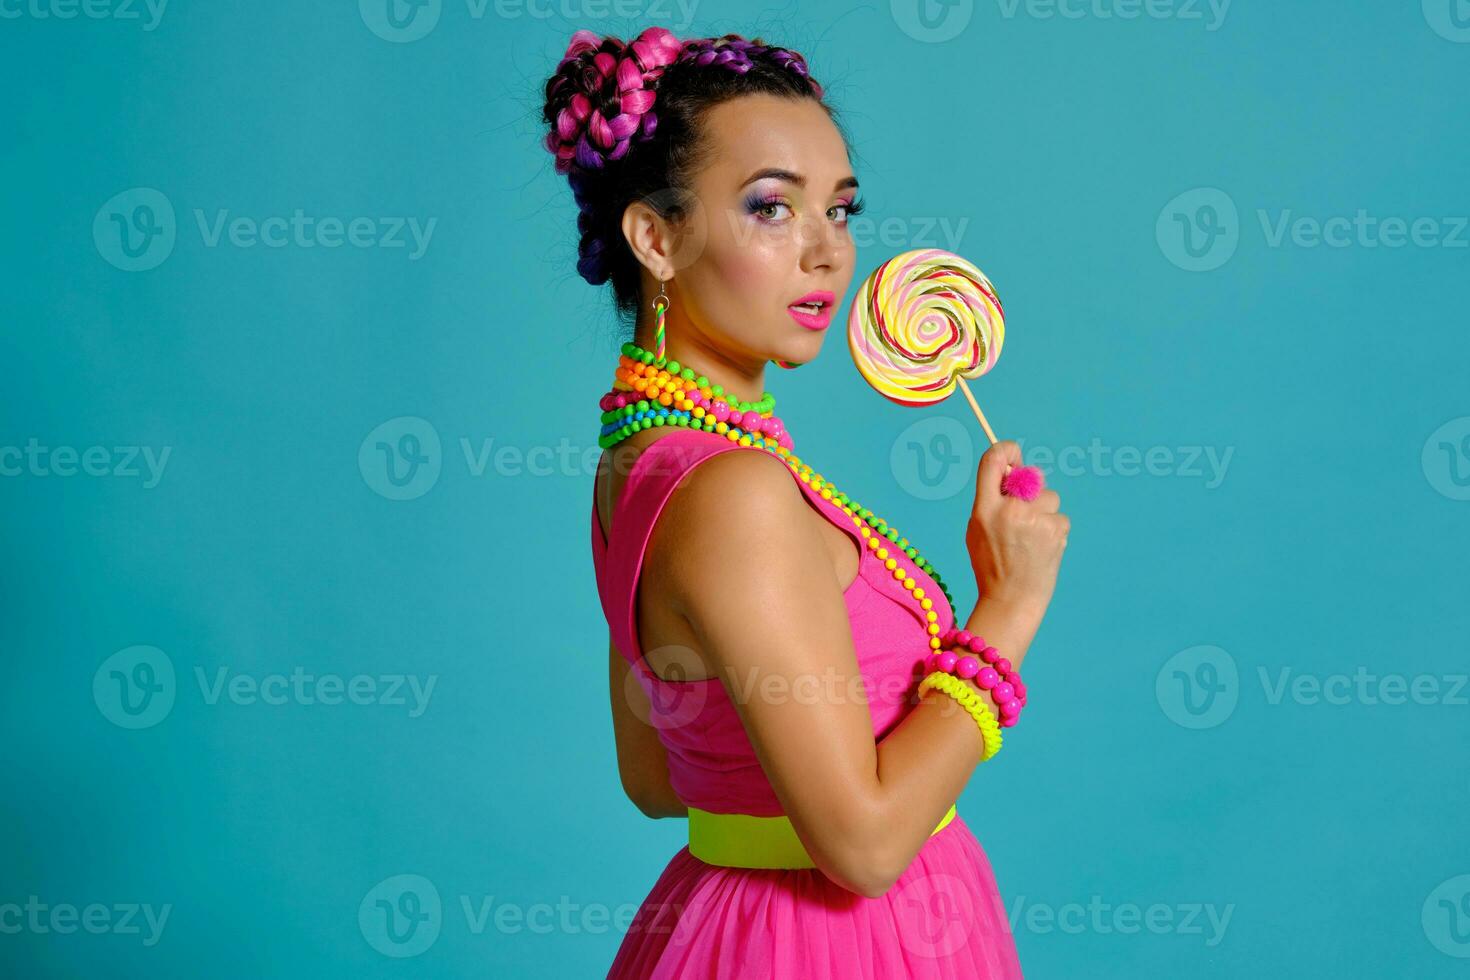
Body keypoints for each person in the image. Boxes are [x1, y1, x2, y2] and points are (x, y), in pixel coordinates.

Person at [546, 27, 1069, 978]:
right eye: (771, 209)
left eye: (841, 207)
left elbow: (659, 778)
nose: (830, 252)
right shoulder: (734, 490)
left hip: (725, 926)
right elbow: (865, 849)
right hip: (836, 945)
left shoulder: (637, 463)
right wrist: (1009, 609)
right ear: (655, 236)